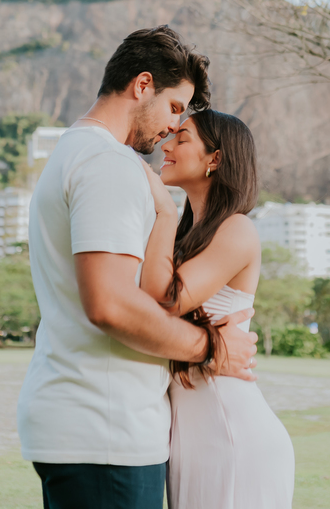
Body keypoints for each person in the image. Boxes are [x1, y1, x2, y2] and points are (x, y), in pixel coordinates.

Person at [17, 26, 259, 509]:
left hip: (95, 423)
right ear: (142, 85)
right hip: (106, 429)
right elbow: (109, 304)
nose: (172, 127)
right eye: (174, 108)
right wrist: (212, 347)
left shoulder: (75, 153)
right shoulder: (109, 164)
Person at [140, 109, 295, 509]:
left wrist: (166, 211)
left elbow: (164, 298)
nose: (165, 144)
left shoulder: (238, 228)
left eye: (182, 137)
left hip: (233, 437)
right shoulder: (184, 236)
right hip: (191, 438)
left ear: (216, 159)